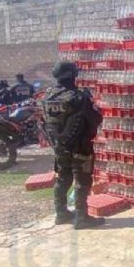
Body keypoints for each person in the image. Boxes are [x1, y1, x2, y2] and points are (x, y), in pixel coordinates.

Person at [41, 61, 105, 229]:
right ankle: (82, 217)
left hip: (59, 147)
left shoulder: (47, 96)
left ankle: (61, 213)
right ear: (72, 75)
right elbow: (95, 119)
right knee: (82, 181)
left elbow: (46, 122)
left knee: (63, 178)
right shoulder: (78, 97)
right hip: (80, 147)